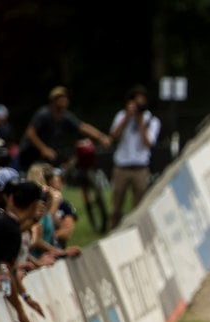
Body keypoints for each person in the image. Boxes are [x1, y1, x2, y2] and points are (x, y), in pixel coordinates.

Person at [0, 180, 46, 322]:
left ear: (11, 198)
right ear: (34, 205)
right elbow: (5, 274)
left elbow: (9, 271)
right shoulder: (11, 231)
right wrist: (20, 311)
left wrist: (26, 297)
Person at [17, 86, 112, 171]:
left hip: (45, 156)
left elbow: (82, 126)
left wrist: (101, 137)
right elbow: (30, 133)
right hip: (29, 155)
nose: (65, 100)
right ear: (53, 100)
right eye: (61, 98)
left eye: (66, 98)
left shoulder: (65, 116)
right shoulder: (43, 114)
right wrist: (44, 149)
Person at [109, 85, 161, 228]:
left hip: (140, 167)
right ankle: (113, 229)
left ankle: (136, 230)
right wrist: (127, 116)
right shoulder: (122, 115)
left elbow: (148, 143)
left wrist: (140, 121)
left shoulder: (152, 120)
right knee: (117, 203)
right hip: (122, 166)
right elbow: (113, 136)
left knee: (140, 204)